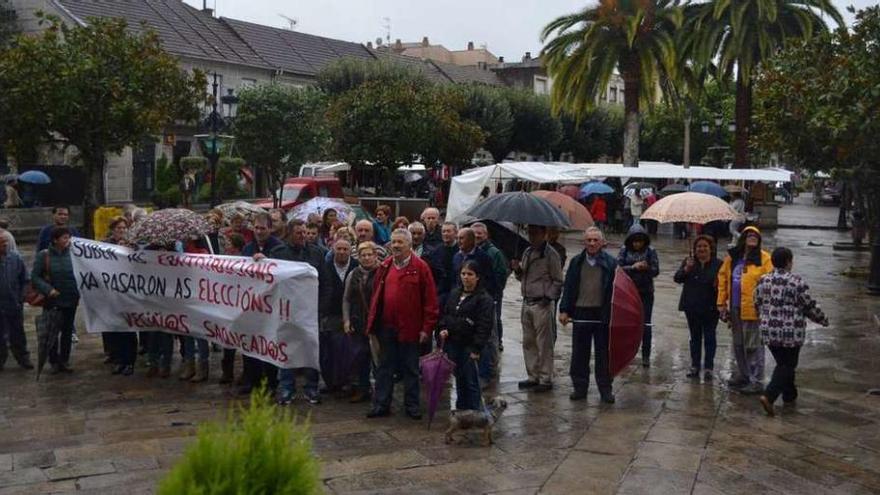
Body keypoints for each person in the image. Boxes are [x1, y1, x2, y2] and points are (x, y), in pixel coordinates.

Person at [365, 228, 439, 419]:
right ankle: (381, 404)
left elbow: (430, 301)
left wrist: (426, 328)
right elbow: (376, 296)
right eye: (393, 242)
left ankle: (412, 406)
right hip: (387, 327)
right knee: (384, 368)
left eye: (400, 242)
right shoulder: (385, 266)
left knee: (411, 369)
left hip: (411, 329)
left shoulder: (421, 267)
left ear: (409, 245)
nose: (395, 246)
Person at [755, 247, 829, 416]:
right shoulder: (796, 282)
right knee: (787, 365)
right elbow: (808, 305)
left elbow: (756, 302)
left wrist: (764, 318)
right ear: (789, 261)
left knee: (784, 363)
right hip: (790, 332)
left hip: (769, 330)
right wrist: (822, 319)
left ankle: (790, 395)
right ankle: (769, 395)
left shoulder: (763, 280)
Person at [265, 219, 325, 405]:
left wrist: (320, 306)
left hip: (310, 310)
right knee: (287, 348)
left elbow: (325, 281)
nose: (303, 236)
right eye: (299, 233)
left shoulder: (316, 252)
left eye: (305, 233)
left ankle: (311, 388)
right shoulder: (278, 253)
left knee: (310, 348)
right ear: (290, 233)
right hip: (286, 310)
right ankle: (287, 388)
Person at [560, 227, 617, 403]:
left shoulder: (611, 263)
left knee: (603, 355)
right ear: (584, 242)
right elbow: (569, 287)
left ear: (602, 242)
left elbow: (616, 290)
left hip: (602, 313)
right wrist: (564, 310)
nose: (592, 243)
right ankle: (579, 387)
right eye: (589, 240)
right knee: (579, 354)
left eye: (595, 240)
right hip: (581, 312)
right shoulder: (576, 262)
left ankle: (605, 389)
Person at [717, 225, 773, 394]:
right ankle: (743, 375)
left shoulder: (764, 259)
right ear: (743, 238)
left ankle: (756, 381)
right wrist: (721, 303)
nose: (752, 237)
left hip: (754, 310)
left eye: (755, 235)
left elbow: (770, 283)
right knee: (739, 344)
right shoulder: (732, 258)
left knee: (754, 346)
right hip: (735, 307)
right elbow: (723, 279)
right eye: (748, 234)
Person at [234, 213, 284, 390]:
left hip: (271, 305)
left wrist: (267, 261)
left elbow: (283, 270)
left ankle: (271, 383)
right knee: (250, 344)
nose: (259, 231)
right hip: (252, 304)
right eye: (256, 228)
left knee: (269, 343)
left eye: (263, 228)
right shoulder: (248, 248)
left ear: (270, 228)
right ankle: (252, 380)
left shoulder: (279, 248)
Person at [511, 225, 563, 393]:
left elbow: (558, 280)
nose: (532, 236)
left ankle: (545, 377)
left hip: (542, 303)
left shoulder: (550, 255)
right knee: (528, 341)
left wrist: (548, 297)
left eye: (535, 233)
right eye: (530, 233)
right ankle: (532, 375)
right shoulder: (527, 252)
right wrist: (517, 269)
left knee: (544, 343)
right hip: (527, 301)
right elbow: (522, 276)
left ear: (544, 234)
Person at [438, 260, 494, 410]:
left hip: (469, 345)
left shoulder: (484, 299)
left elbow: (483, 326)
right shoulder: (455, 293)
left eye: (470, 274)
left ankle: (475, 410)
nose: (466, 277)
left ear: (477, 277)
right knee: (460, 379)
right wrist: (443, 327)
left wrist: (476, 348)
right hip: (454, 344)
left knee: (471, 380)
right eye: (463, 274)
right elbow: (447, 314)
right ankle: (462, 408)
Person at [31, 227, 79, 374]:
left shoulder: (74, 254)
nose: (68, 240)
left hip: (70, 298)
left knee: (67, 331)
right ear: (55, 240)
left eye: (68, 237)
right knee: (52, 332)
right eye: (64, 238)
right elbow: (35, 277)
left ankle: (64, 360)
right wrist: (48, 290)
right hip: (52, 300)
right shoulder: (44, 255)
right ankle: (53, 361)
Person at [674, 235, 722, 380]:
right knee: (695, 337)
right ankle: (695, 365)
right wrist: (686, 269)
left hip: (711, 307)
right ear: (694, 249)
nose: (701, 249)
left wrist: (718, 283)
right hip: (692, 306)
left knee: (710, 337)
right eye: (699, 246)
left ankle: (708, 367)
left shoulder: (718, 264)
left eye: (704, 246)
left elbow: (725, 284)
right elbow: (677, 278)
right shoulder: (689, 262)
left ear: (711, 248)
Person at [318, 237, 358, 395]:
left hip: (352, 314)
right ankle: (330, 382)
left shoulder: (356, 266)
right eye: (339, 249)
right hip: (330, 314)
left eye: (345, 249)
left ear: (350, 251)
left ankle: (347, 382)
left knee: (348, 350)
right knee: (329, 351)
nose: (341, 252)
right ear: (333, 249)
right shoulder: (325, 266)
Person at [342, 241, 380, 403]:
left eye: (369, 254)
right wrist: (346, 319)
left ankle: (381, 392)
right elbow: (346, 299)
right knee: (361, 357)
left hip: (377, 323)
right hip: (359, 321)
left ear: (375, 255)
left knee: (379, 359)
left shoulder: (381, 273)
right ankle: (364, 389)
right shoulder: (354, 274)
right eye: (363, 255)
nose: (366, 258)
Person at [618, 224, 660, 367]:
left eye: (640, 241)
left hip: (646, 292)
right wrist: (633, 267)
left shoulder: (650, 251)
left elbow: (656, 270)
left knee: (645, 324)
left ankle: (646, 355)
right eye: (635, 241)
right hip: (628, 291)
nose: (637, 244)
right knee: (626, 324)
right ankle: (625, 352)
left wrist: (646, 267)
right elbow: (618, 269)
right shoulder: (624, 250)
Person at [101, 218, 137, 376]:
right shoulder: (104, 245)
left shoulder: (132, 245)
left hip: (128, 292)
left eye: (124, 228)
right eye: (119, 228)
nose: (122, 231)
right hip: (111, 292)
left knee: (128, 329)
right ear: (113, 229)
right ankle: (118, 359)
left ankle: (129, 362)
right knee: (115, 328)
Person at [0, 231, 32, 371]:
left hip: (14, 303)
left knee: (18, 333)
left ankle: (23, 358)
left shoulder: (15, 258)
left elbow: (25, 279)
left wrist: (22, 297)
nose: (5, 246)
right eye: (2, 244)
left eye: (6, 243)